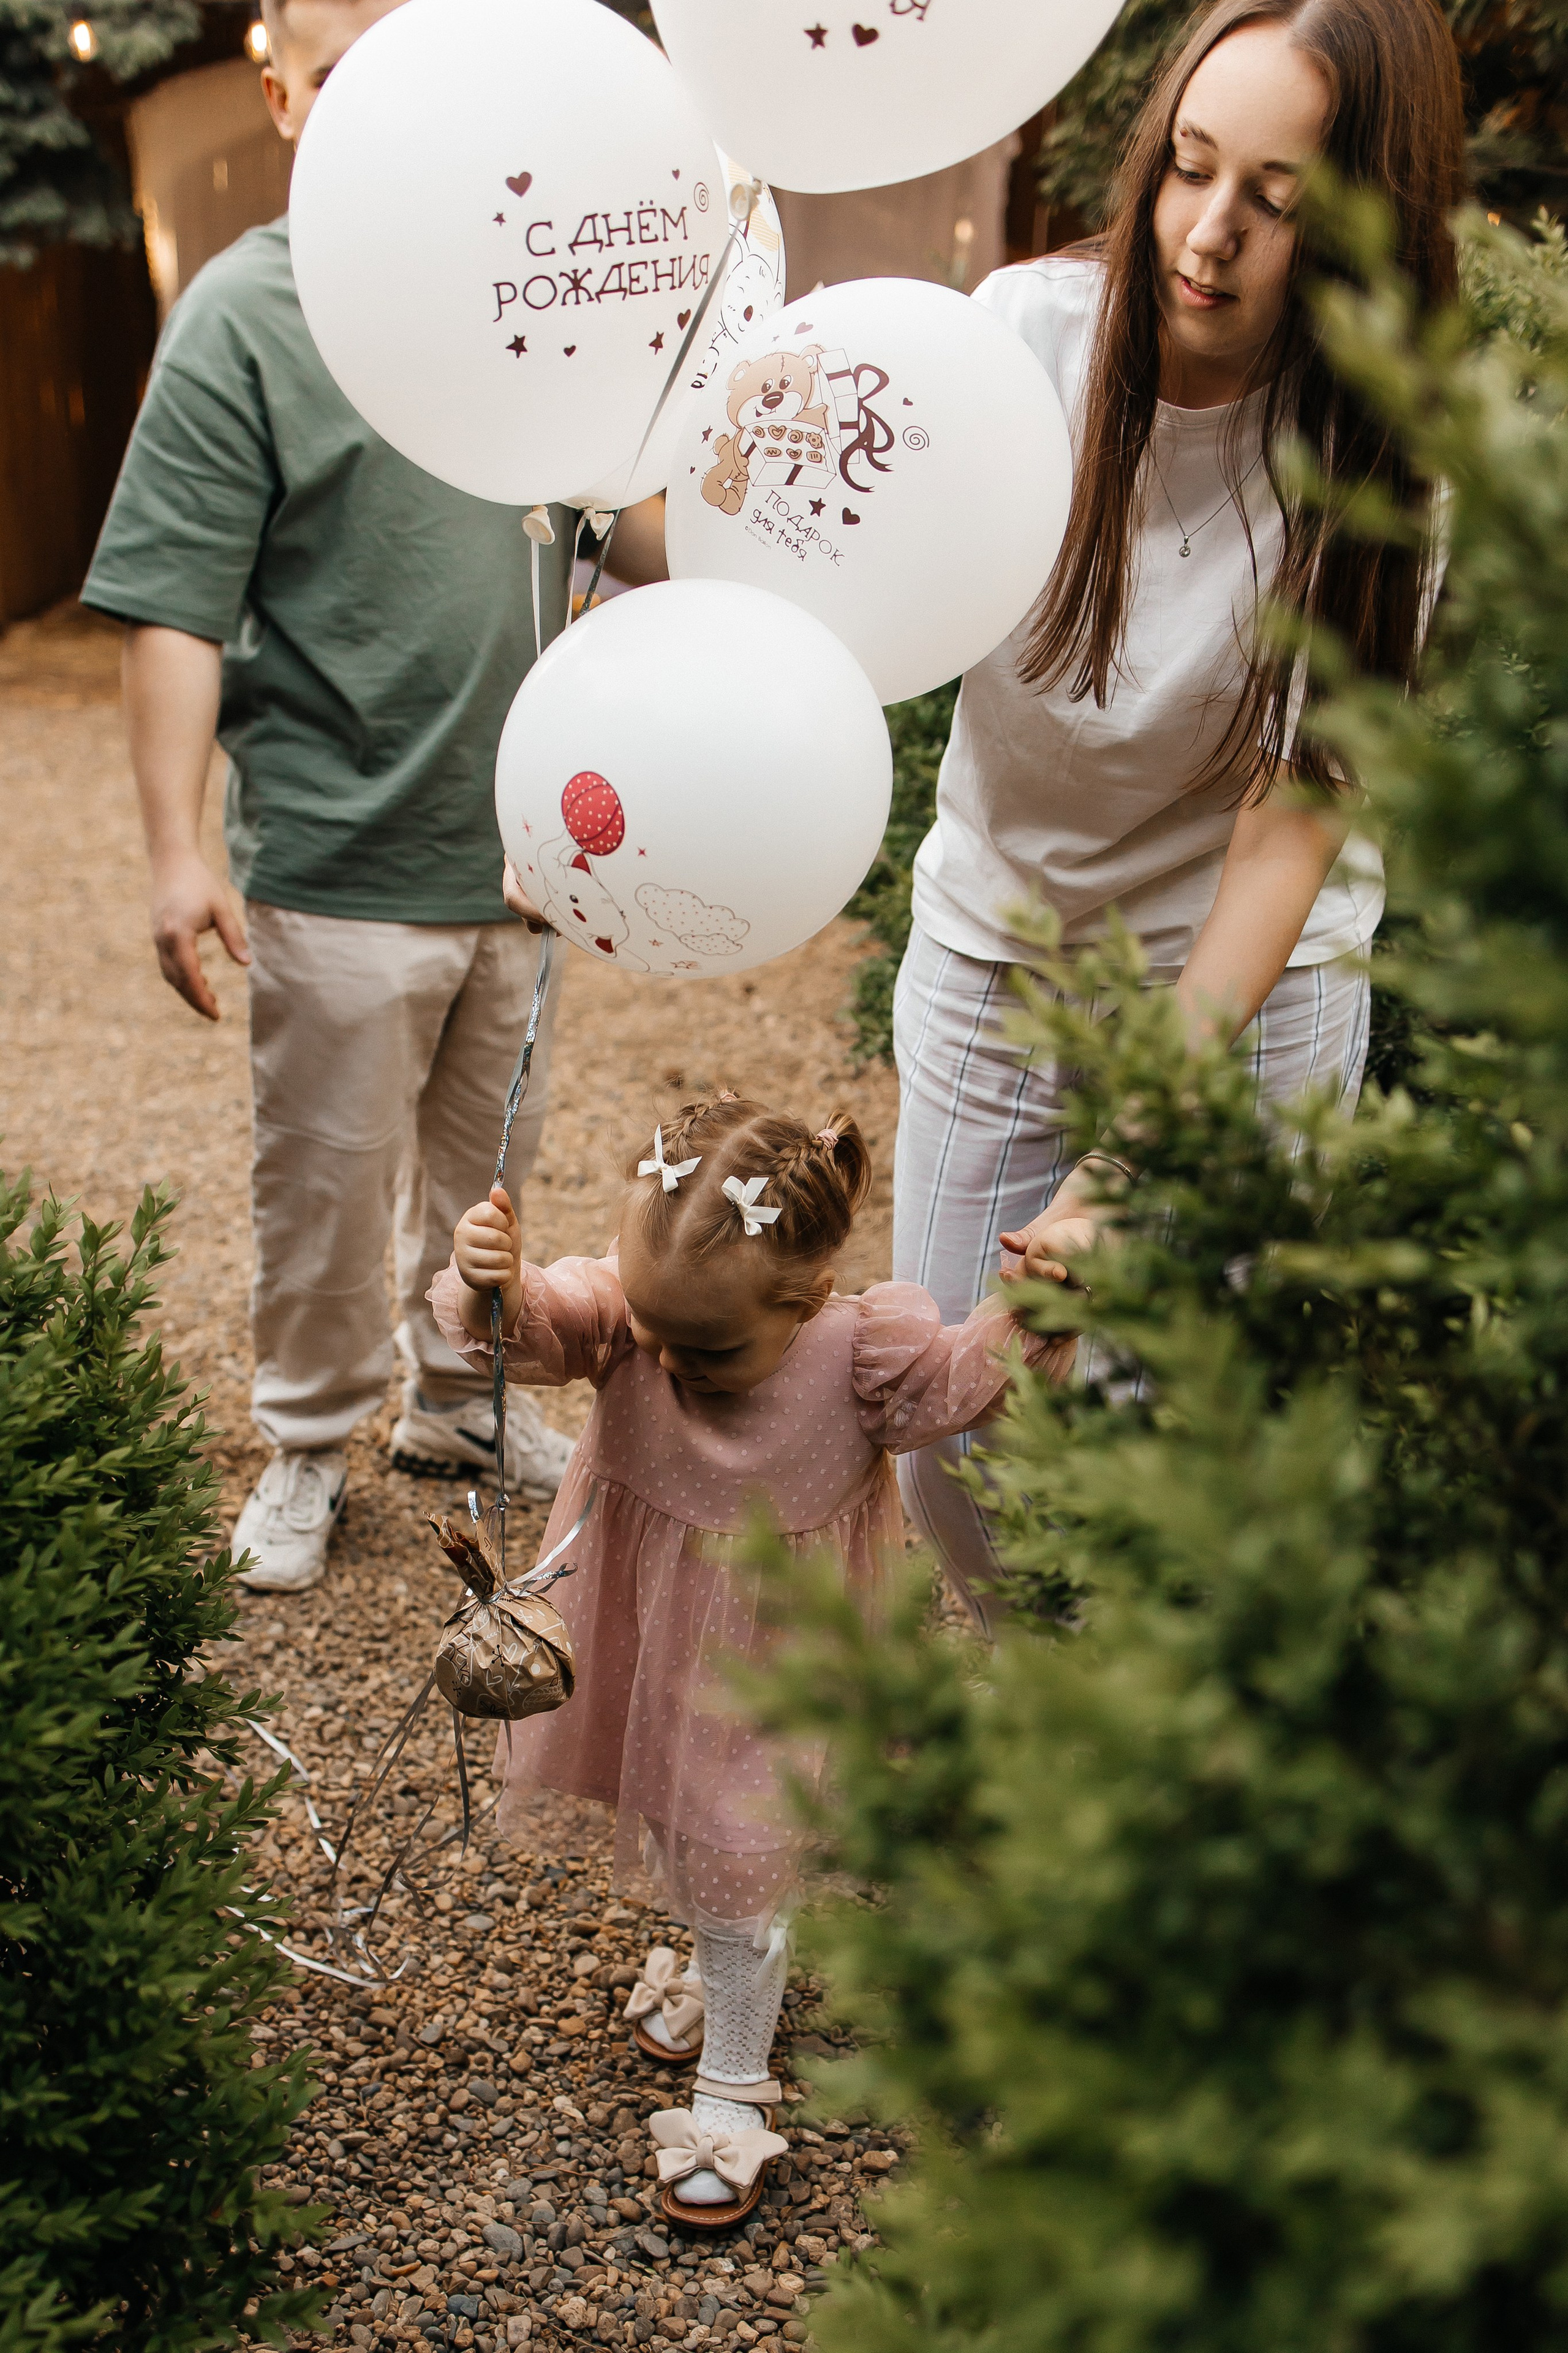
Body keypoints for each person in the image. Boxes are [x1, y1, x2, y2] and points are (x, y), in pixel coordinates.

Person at [894, 0, 1466, 1623]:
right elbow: (820, 572)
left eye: (1273, 203)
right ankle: (1044, 1712)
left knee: (1198, 1444)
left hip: (1250, 990)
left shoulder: (1377, 457)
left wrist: (1131, 1164)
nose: (1206, 236)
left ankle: (1157, 1805)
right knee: (955, 1439)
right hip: (1000, 940)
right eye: (1188, 170)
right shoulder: (1022, 340)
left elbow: (1289, 832)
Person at [80, 0, 663, 1593]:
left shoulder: (533, 290)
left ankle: (457, 1407)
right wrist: (169, 850)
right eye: (343, 78)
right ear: (279, 97)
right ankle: (304, 1438)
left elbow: (647, 543)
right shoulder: (245, 316)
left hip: (530, 862)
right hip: (337, 862)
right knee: (326, 1182)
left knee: (489, 1176)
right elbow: (177, 608)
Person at [431, 1092, 1073, 2227]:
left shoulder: (862, 1355)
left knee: (739, 1836)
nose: (665, 1359)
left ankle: (735, 2073)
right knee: (686, 1809)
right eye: (653, 1325)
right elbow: (536, 1328)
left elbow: (961, 1382)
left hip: (778, 1653)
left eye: (711, 1347)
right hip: (646, 1624)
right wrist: (499, 1279)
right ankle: (713, 1954)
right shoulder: (634, 1315)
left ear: (811, 1296)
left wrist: (1030, 1306)